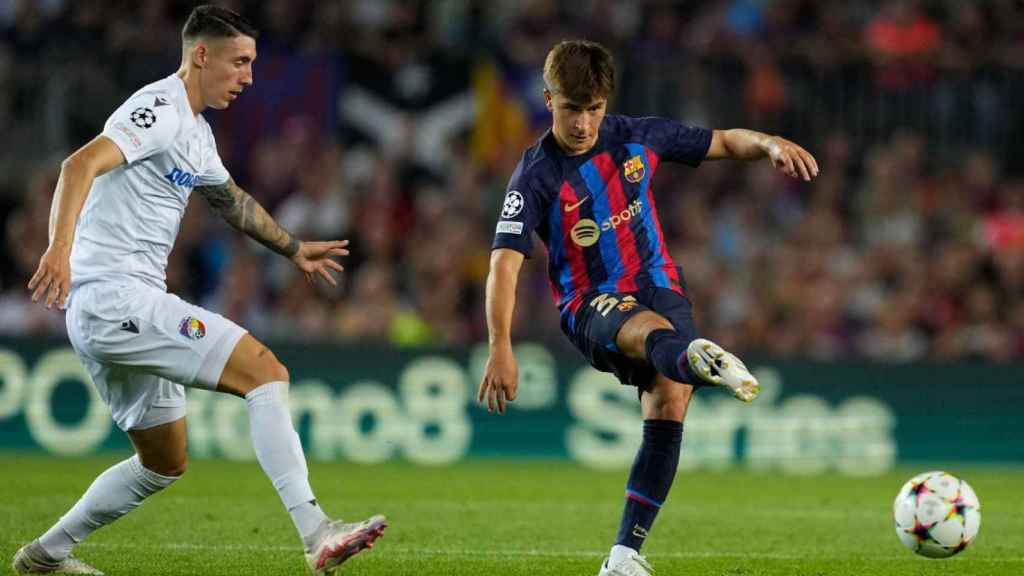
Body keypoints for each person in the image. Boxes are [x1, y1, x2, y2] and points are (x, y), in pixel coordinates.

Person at [13, 6, 385, 575]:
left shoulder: (195, 133)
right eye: (240, 62)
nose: (248, 76)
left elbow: (230, 201)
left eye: (253, 64)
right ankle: (317, 531)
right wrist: (59, 248)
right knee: (267, 373)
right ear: (201, 55)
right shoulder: (159, 108)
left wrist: (292, 248)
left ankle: (45, 555)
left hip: (107, 309)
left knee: (163, 462)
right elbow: (78, 165)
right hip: (119, 298)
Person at [477, 40, 818, 576]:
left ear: (606, 104)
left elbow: (726, 141)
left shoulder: (639, 135)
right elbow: (503, 265)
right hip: (590, 302)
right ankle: (695, 359)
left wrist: (770, 143)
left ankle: (623, 555)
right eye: (572, 109)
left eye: (594, 109)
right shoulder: (535, 175)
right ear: (548, 100)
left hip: (659, 282)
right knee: (653, 335)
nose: (584, 124)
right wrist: (500, 345)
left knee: (669, 402)